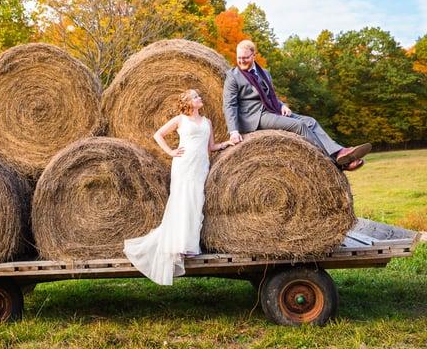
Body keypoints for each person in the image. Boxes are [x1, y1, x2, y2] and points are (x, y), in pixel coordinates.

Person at [124, 89, 232, 285]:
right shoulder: (181, 119)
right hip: (184, 164)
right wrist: (171, 152)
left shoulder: (207, 122)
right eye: (196, 97)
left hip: (200, 165)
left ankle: (190, 244)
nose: (200, 98)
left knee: (196, 201)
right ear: (189, 102)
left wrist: (227, 144)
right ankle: (178, 244)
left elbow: (211, 147)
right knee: (182, 200)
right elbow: (158, 135)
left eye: (199, 96)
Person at [223, 39, 371, 171]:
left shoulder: (265, 73)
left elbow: (271, 96)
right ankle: (332, 163)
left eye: (245, 58)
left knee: (310, 121)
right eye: (239, 58)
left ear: (253, 55)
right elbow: (229, 104)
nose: (241, 61)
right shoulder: (233, 76)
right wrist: (233, 131)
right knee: (299, 125)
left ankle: (340, 152)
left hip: (272, 110)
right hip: (254, 117)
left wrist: (282, 105)